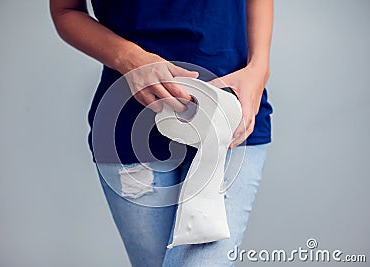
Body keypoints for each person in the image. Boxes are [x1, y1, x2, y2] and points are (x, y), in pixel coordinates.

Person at [50, 0, 273, 266]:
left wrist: (259, 67)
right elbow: (65, 10)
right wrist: (130, 59)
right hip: (129, 120)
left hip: (229, 116)